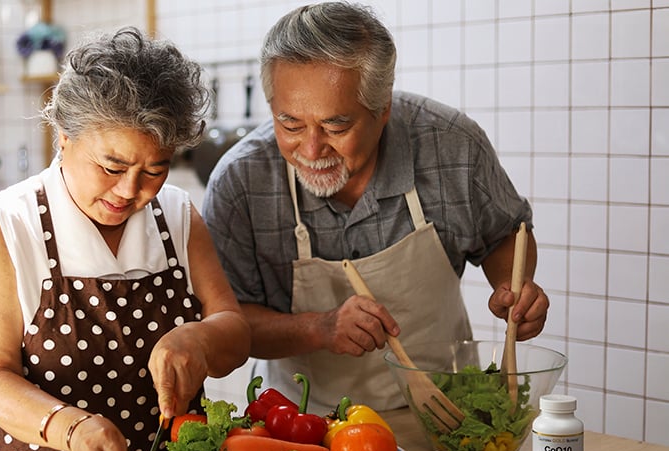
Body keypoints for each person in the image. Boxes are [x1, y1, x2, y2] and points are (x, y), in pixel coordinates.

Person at [201, 2, 549, 416]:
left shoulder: (450, 145)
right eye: (290, 124)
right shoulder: (241, 182)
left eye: (336, 126)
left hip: (446, 415)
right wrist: (320, 328)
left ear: (382, 109)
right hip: (305, 427)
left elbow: (504, 234)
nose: (311, 150)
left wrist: (514, 289)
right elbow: (229, 324)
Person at [0, 26, 250, 451]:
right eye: (111, 167)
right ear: (64, 136)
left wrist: (200, 336)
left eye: (155, 169)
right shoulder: (7, 225)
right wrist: (70, 427)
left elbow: (235, 332)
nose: (131, 190)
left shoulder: (176, 215)